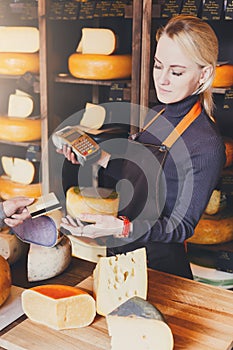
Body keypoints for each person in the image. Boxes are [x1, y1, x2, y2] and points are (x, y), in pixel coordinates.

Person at [60, 15, 226, 279]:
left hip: (161, 271)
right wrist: (94, 156)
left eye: (177, 71)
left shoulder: (206, 144)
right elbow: (137, 175)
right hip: (122, 256)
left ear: (204, 74)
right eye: (158, 66)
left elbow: (180, 227)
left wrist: (123, 228)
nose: (162, 80)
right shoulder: (158, 114)